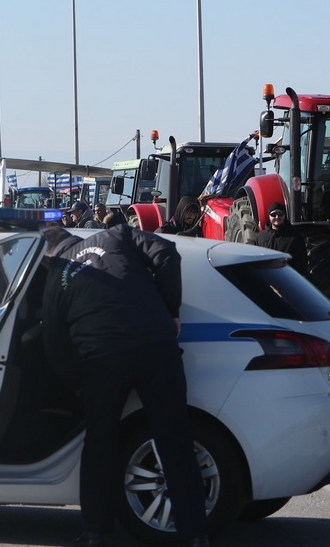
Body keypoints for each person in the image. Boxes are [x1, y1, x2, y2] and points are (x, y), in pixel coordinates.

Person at [41, 225, 208, 547]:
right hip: (155, 346)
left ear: (47, 258)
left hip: (102, 359)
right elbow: (166, 253)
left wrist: (77, 385)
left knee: (100, 443)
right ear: (72, 239)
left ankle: (95, 533)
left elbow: (55, 346)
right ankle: (195, 536)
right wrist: (170, 310)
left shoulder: (55, 279)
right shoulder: (116, 236)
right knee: (174, 439)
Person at [252, 202, 308, 276]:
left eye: (280, 214)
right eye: (273, 214)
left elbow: (302, 264)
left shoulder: (295, 237)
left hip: (286, 280)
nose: (277, 217)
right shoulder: (260, 237)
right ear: (269, 216)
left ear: (285, 215)